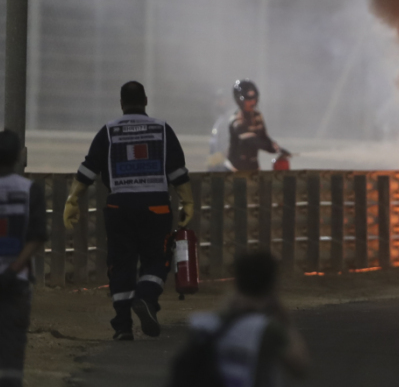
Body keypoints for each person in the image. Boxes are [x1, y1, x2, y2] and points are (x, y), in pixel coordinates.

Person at [65, 81, 193, 340]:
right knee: (156, 260)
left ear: (121, 103)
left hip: (119, 207)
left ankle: (123, 327)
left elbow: (88, 169)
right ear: (145, 101)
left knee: (120, 263)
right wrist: (187, 202)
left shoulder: (109, 131)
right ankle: (145, 298)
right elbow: (177, 171)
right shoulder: (162, 129)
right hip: (155, 206)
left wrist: (72, 200)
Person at [171, 251, 308, 387]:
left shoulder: (204, 324)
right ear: (272, 284)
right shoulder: (267, 329)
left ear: (236, 282)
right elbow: (299, 366)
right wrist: (285, 320)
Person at [0, 129, 47, 387]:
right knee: (12, 344)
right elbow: (37, 236)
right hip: (16, 281)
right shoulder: (31, 190)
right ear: (19, 156)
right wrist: (13, 268)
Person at [227, 80, 286, 172]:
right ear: (239, 100)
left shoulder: (257, 116)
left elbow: (264, 137)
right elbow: (251, 140)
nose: (252, 103)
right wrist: (272, 148)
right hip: (235, 170)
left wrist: (279, 148)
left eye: (254, 99)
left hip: (253, 167)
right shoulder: (236, 118)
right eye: (248, 100)